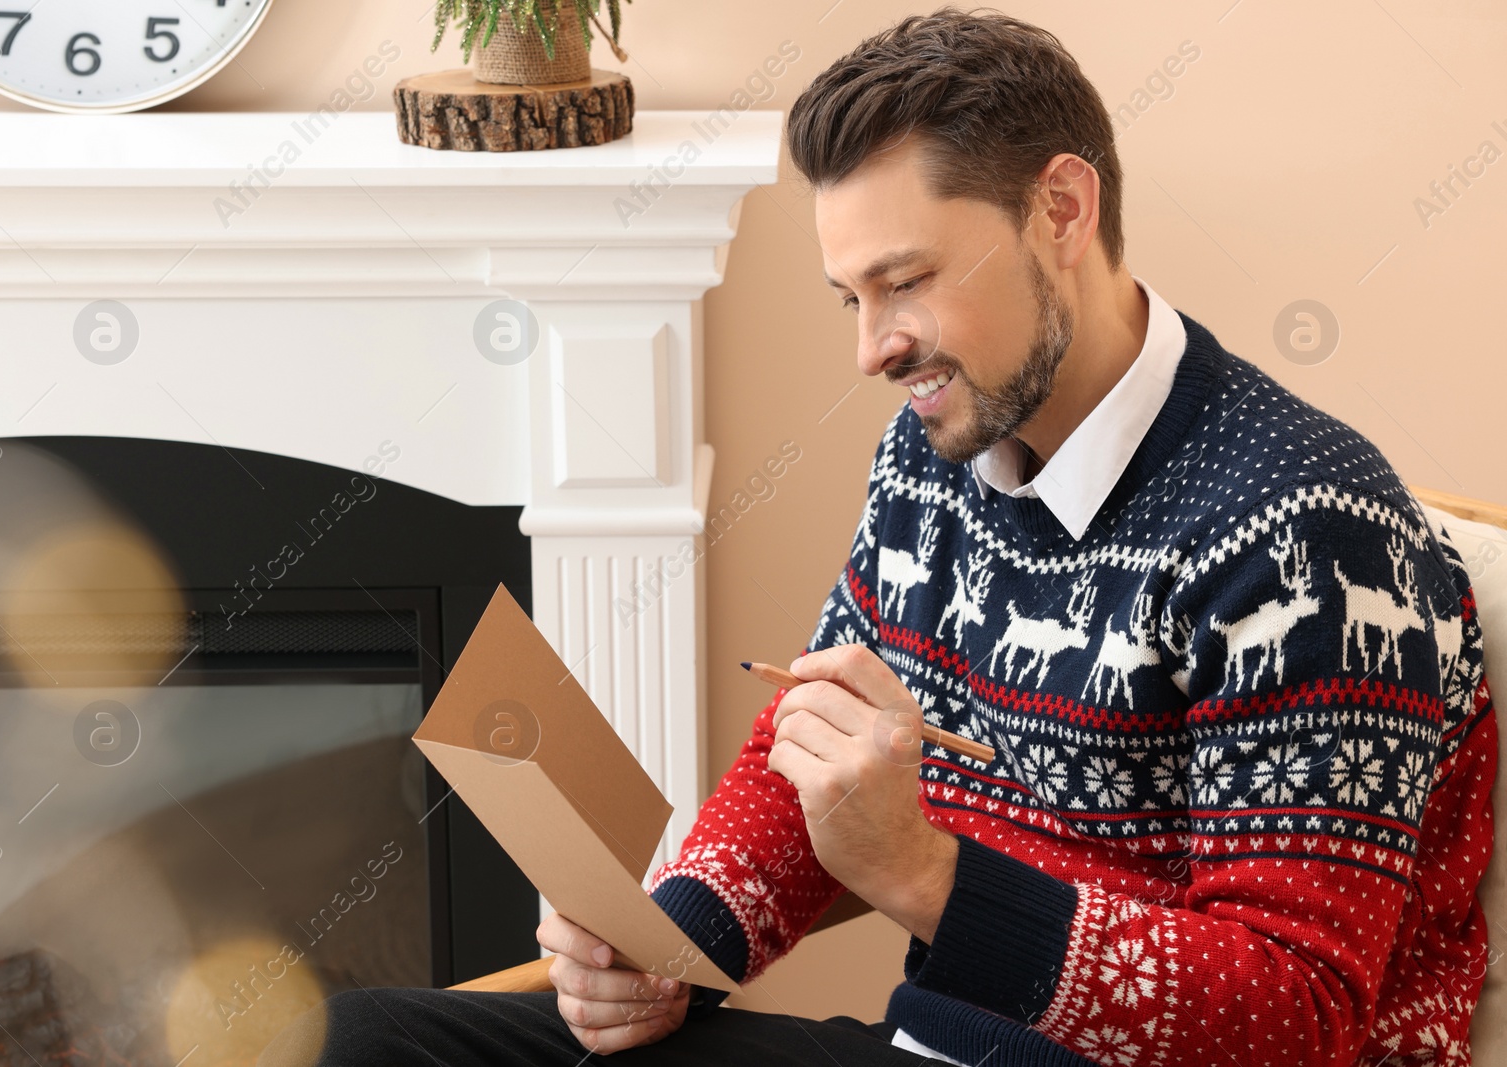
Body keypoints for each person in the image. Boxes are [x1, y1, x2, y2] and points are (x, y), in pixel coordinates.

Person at [260, 7, 1497, 1065]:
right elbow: (816, 746)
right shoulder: (942, 445)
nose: (872, 347)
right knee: (371, 1040)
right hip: (944, 1040)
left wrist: (923, 874)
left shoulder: (1311, 537)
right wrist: (675, 941)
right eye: (851, 297)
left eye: (904, 281)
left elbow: (1299, 1014)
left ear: (1061, 208)